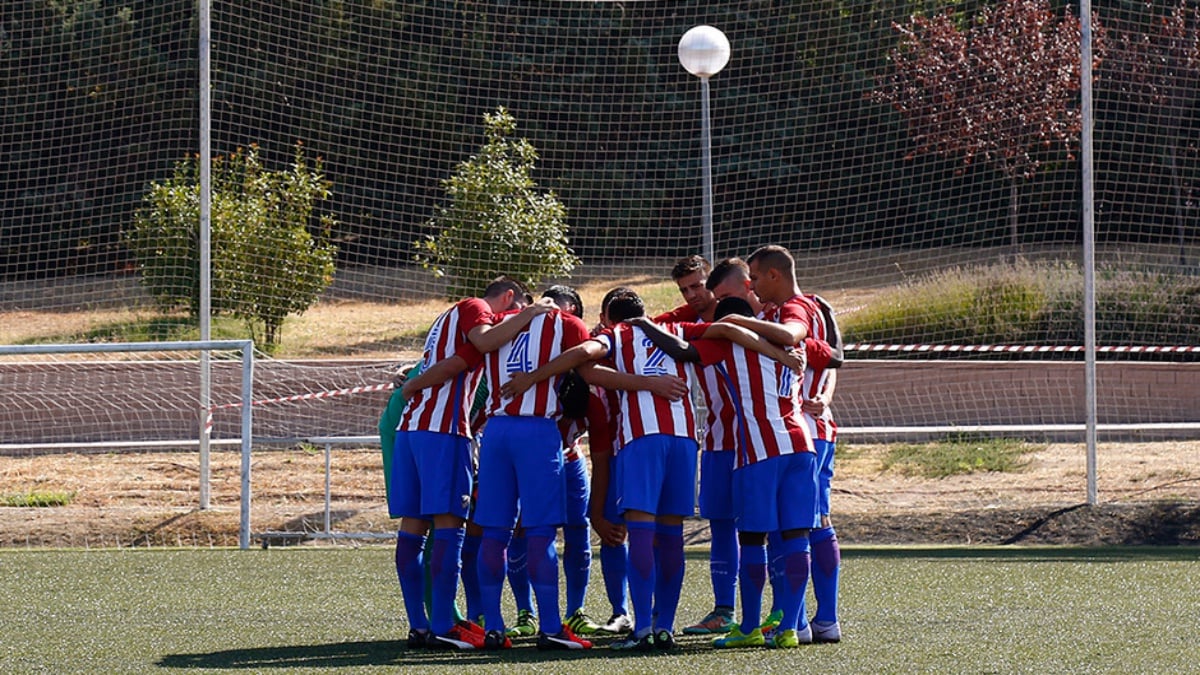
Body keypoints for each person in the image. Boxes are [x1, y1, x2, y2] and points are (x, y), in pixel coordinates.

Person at [631, 294, 825, 649]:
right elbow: (831, 355)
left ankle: (749, 626)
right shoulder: (790, 340)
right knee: (796, 536)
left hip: (761, 450)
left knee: (752, 538)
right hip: (803, 445)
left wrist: (644, 323)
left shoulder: (724, 341)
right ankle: (789, 629)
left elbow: (682, 350)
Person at [389, 276, 552, 651]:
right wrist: (531, 312)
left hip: (412, 429)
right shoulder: (475, 308)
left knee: (413, 527)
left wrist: (413, 386)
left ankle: (419, 625)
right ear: (509, 297)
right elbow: (480, 343)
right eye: (514, 311)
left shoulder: (447, 319)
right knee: (449, 526)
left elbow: (458, 360)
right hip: (442, 431)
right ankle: (444, 624)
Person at [472, 284, 594, 650]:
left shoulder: (497, 322)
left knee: (494, 532)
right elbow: (590, 354)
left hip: (496, 431)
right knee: (541, 532)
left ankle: (494, 626)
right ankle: (551, 627)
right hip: (538, 430)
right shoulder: (566, 322)